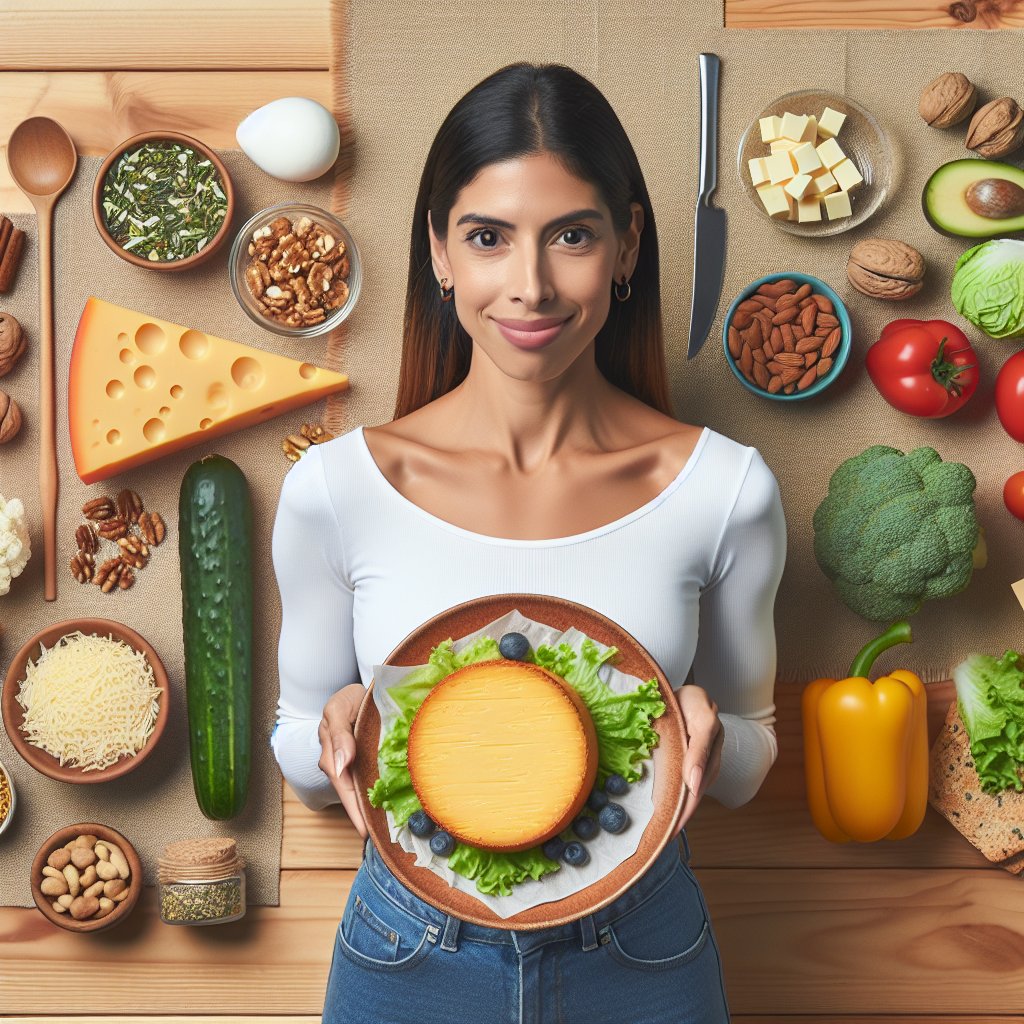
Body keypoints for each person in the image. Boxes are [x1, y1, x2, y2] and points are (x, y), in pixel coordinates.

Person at [271, 61, 786, 1024]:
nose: (532, 285)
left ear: (628, 246)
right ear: (439, 252)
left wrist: (707, 729)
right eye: (488, 238)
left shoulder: (726, 489)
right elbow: (299, 754)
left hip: (641, 943)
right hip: (408, 949)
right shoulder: (334, 490)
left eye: (574, 237)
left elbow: (751, 760)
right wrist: (338, 718)